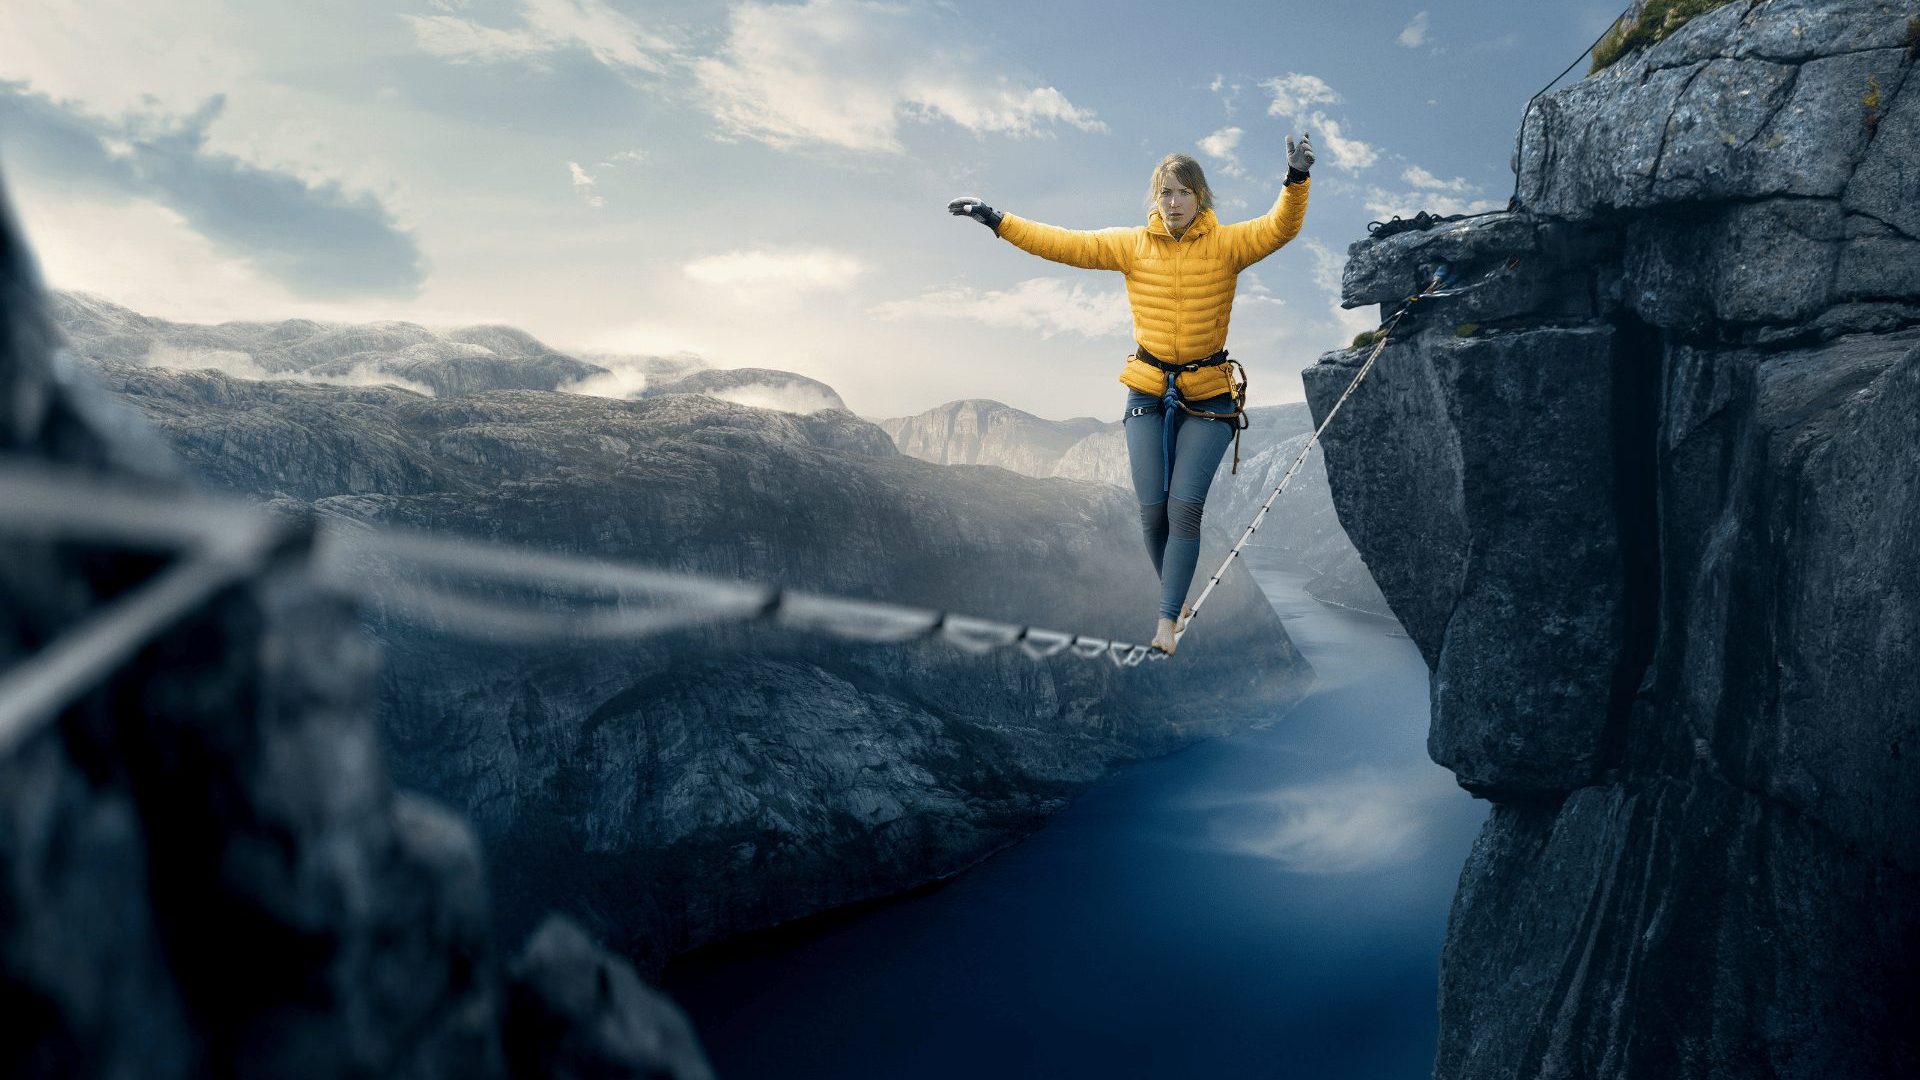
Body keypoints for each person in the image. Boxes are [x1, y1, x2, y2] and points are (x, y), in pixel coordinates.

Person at [948, 135, 1314, 655]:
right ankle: (1177, 593)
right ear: (1155, 197)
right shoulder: (1132, 246)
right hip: (1146, 389)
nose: (1173, 201)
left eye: (1184, 192)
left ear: (1201, 198)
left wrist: (1296, 178)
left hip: (1209, 398)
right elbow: (1064, 243)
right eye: (1166, 192)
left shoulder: (1228, 245)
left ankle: (1166, 621)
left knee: (1184, 509)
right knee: (1152, 514)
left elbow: (1281, 226)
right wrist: (998, 220)